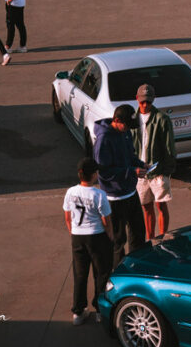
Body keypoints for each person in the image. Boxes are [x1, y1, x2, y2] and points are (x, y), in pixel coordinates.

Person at [93, 104, 147, 264]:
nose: (128, 129)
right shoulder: (104, 140)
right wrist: (131, 171)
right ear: (116, 120)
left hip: (130, 192)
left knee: (138, 233)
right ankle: (118, 273)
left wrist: (140, 164)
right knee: (118, 240)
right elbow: (104, 172)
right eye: (126, 125)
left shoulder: (126, 133)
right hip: (114, 198)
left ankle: (137, 267)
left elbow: (130, 156)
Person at [62, 157, 113, 326]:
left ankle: (78, 311)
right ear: (93, 175)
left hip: (77, 236)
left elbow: (68, 217)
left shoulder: (70, 192)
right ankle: (99, 309)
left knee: (80, 273)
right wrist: (110, 237)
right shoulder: (99, 194)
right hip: (96, 236)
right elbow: (106, 220)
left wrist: (73, 232)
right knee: (101, 273)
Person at [135, 84, 175, 240]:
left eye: (149, 102)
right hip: (141, 172)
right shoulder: (133, 119)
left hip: (158, 172)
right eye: (143, 102)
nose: (145, 105)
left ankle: (162, 238)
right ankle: (150, 239)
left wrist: (167, 171)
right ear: (137, 99)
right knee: (146, 207)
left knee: (161, 205)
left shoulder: (162, 119)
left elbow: (169, 147)